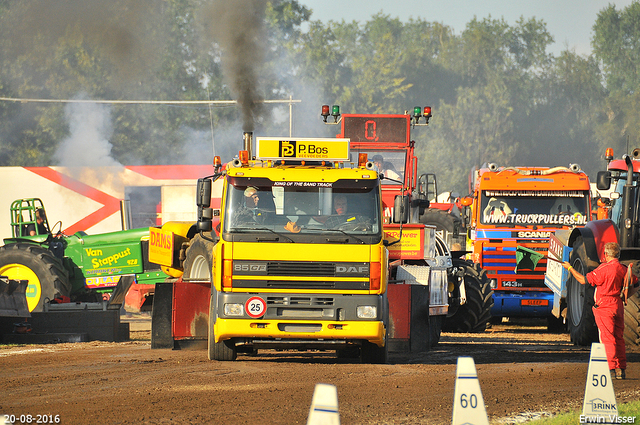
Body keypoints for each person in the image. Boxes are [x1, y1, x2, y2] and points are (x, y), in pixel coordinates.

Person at [563, 242, 639, 380]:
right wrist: (626, 296)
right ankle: (621, 368)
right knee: (619, 338)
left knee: (607, 338)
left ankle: (610, 369)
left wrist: (570, 268)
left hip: (605, 306)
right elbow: (635, 284)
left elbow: (582, 280)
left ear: (606, 254)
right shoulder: (624, 269)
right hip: (618, 305)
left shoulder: (603, 269)